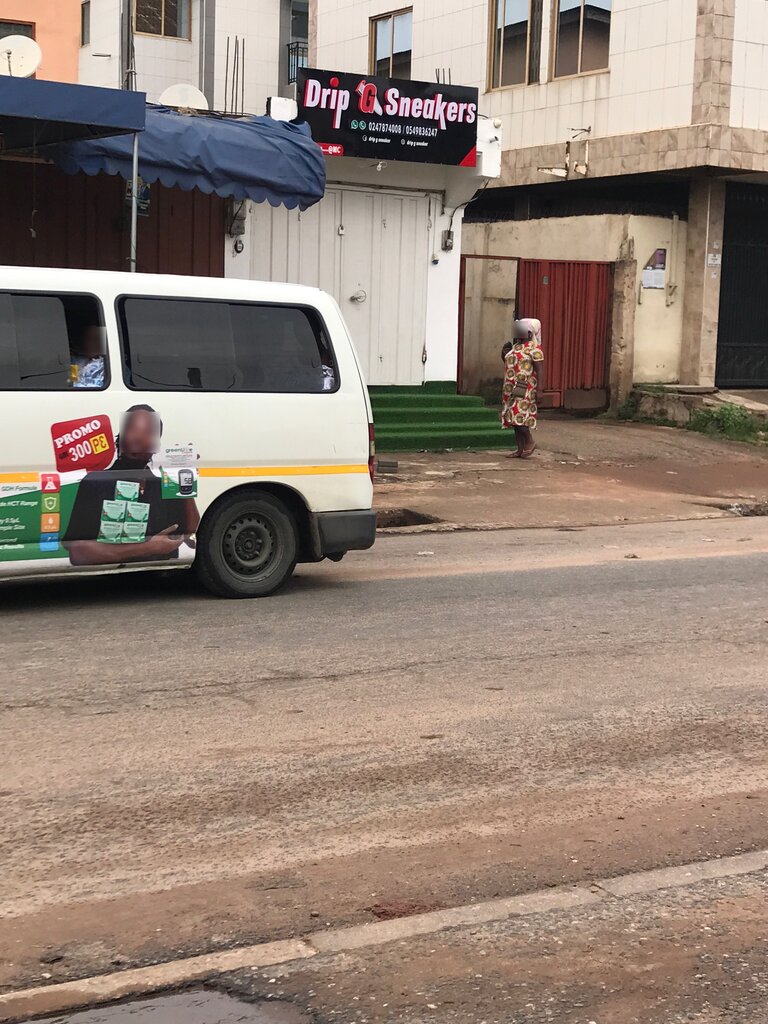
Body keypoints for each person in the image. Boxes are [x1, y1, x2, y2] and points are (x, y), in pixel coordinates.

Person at [63, 404, 200, 566]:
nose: (139, 437)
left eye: (148, 432)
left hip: (160, 585)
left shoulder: (163, 483)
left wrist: (185, 482)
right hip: (110, 585)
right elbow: (78, 553)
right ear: (120, 437)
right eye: (133, 430)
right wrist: (148, 548)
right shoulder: (95, 482)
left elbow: (192, 537)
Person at [501, 318, 544, 459]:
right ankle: (520, 449)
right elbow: (512, 364)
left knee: (517, 416)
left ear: (530, 332)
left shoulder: (535, 349)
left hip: (524, 387)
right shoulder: (516, 347)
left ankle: (530, 441)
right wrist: (504, 354)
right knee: (512, 418)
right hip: (510, 387)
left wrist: (540, 390)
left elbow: (540, 370)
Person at [70, 325, 107, 389]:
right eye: (90, 339)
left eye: (98, 339)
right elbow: (73, 382)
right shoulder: (75, 363)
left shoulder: (112, 365)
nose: (95, 343)